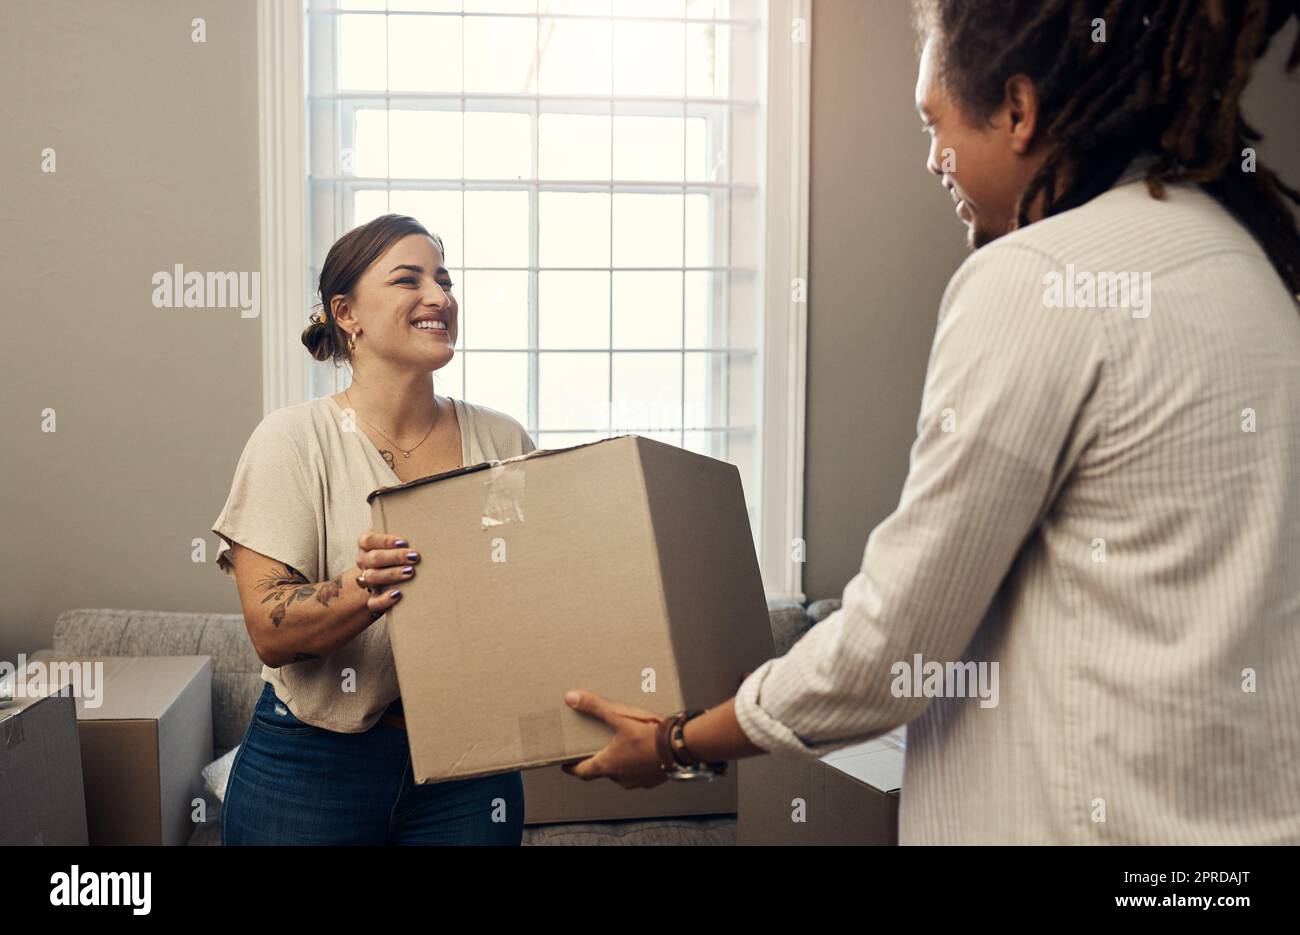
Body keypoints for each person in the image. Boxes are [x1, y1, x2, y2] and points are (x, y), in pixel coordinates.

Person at [561, 0, 1300, 844]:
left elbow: (888, 649)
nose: (931, 160)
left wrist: (674, 740)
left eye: (933, 122)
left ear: (1017, 111)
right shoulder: (1247, 266)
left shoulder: (1036, 275)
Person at [213, 213, 532, 845]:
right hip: (310, 766)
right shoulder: (292, 440)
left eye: (444, 280)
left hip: (468, 769)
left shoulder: (502, 441)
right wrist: (364, 590)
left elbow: (532, 598)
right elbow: (269, 630)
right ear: (347, 313)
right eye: (409, 280)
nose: (439, 296)